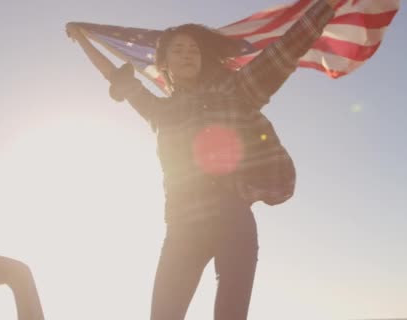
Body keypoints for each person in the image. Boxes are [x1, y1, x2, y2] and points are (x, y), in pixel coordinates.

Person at [66, 0, 339, 318]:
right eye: (178, 50)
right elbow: (114, 76)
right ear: (164, 62)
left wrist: (326, 6)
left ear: (203, 58)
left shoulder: (236, 91)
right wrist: (82, 38)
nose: (187, 55)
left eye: (193, 50)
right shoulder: (160, 111)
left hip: (232, 218)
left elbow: (286, 50)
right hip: (182, 227)